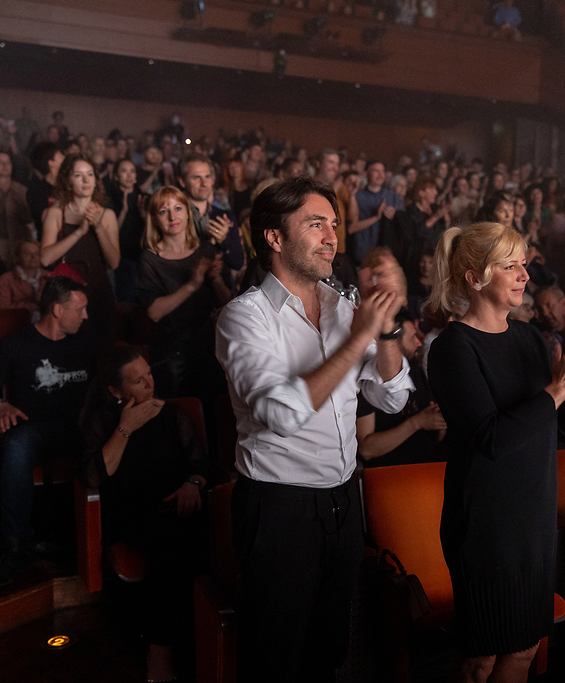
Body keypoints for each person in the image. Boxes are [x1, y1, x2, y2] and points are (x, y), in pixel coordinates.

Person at [214, 177, 413, 682]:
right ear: (274, 237)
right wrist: (358, 339)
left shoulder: (343, 307)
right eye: (316, 224)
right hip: (279, 509)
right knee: (275, 660)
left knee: (327, 653)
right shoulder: (244, 317)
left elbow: (391, 396)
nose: (332, 238)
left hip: (343, 500)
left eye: (334, 225)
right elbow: (280, 415)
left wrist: (387, 328)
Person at [426, 221, 565, 683]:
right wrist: (558, 389)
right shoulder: (452, 347)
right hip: (486, 523)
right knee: (480, 660)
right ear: (475, 278)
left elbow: (556, 424)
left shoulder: (529, 337)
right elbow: (492, 439)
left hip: (532, 517)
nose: (524, 275)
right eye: (509, 266)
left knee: (525, 650)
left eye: (524, 264)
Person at [80, 346, 209, 683]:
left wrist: (193, 483)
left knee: (204, 533)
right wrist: (126, 427)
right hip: (132, 513)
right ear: (116, 391)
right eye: (138, 381)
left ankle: (205, 641)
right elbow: (94, 477)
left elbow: (200, 463)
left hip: (177, 503)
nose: (151, 383)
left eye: (149, 373)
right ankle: (160, 650)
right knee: (172, 544)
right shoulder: (103, 420)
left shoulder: (172, 414)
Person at [0, 276, 95, 587]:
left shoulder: (85, 343)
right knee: (16, 444)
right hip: (34, 429)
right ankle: (15, 545)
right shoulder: (16, 344)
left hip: (77, 428)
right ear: (57, 310)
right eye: (80, 309)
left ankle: (101, 539)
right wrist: (0, 406)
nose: (86, 316)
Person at [136, 186, 230, 400]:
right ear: (154, 219)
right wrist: (191, 285)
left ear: (188, 213)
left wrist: (216, 280)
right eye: (163, 211)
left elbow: (227, 301)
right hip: (172, 352)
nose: (172, 217)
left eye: (178, 208)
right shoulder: (149, 260)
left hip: (209, 346)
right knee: (181, 411)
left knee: (214, 407)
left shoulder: (206, 250)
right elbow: (154, 312)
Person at [41, 155, 120, 346]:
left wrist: (98, 227)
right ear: (68, 182)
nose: (86, 180)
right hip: (68, 296)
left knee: (103, 350)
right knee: (70, 350)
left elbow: (114, 262)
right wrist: (80, 232)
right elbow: (45, 258)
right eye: (78, 175)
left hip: (99, 291)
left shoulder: (107, 215)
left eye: (90, 174)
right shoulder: (55, 213)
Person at [356, 309, 446, 467]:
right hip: (389, 472)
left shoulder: (415, 369)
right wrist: (417, 423)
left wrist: (441, 421)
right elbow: (366, 449)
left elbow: (435, 432)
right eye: (412, 337)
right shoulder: (370, 377)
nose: (419, 342)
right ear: (393, 340)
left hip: (428, 466)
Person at [180, 154, 245, 273]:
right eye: (196, 178)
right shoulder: (175, 218)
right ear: (182, 181)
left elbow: (238, 263)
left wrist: (224, 240)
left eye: (207, 177)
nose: (204, 183)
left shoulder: (225, 217)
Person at [0, 150, 34, 268]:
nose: (5, 166)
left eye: (8, 162)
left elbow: (29, 219)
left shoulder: (21, 190)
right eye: (0, 162)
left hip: (18, 241)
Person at [348, 161, 403, 266]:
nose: (380, 175)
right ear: (366, 173)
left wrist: (393, 216)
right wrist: (377, 216)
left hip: (385, 253)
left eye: (383, 171)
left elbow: (402, 226)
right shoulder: (357, 196)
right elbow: (351, 225)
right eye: (376, 171)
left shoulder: (393, 197)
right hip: (362, 252)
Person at [108, 158, 147, 302]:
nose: (129, 175)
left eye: (132, 171)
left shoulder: (143, 197)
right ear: (116, 176)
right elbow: (111, 233)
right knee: (125, 299)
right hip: (120, 256)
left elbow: (152, 230)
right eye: (124, 171)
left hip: (141, 255)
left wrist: (144, 215)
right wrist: (123, 211)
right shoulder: (110, 198)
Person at [0, 240, 44, 317]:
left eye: (37, 253)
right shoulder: (6, 280)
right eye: (27, 253)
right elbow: (2, 309)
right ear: (18, 257)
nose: (33, 257)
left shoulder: (49, 277)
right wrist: (28, 306)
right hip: (17, 321)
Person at [26, 142, 64, 236]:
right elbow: (40, 219)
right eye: (60, 156)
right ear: (51, 163)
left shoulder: (67, 186)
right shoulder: (37, 191)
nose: (64, 157)